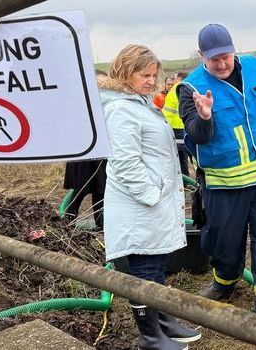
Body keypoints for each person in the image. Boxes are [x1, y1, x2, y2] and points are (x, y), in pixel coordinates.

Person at [177, 24, 256, 316]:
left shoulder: (255, 67)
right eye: (214, 58)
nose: (221, 64)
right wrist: (204, 116)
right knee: (224, 243)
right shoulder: (190, 87)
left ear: (233, 49)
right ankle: (224, 283)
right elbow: (196, 136)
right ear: (202, 55)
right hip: (225, 184)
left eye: (226, 56)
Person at [100, 44, 200, 350]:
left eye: (153, 75)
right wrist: (152, 194)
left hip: (153, 205)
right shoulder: (120, 109)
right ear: (125, 72)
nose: (150, 80)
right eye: (144, 74)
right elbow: (126, 162)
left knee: (156, 265)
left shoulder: (139, 103)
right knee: (143, 271)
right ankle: (150, 335)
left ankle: (164, 322)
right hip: (140, 206)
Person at [61, 69, 109, 230]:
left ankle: (101, 225)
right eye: (98, 83)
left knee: (101, 190)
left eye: (103, 83)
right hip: (83, 153)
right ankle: (67, 223)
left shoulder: (109, 102)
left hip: (101, 153)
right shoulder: (77, 101)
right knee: (80, 190)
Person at [161, 70, 191, 176]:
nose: (173, 81)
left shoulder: (174, 92)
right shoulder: (191, 89)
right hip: (187, 128)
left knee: (175, 160)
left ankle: (181, 182)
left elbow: (166, 115)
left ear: (179, 79)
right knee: (184, 159)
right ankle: (188, 182)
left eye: (174, 78)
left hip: (174, 130)